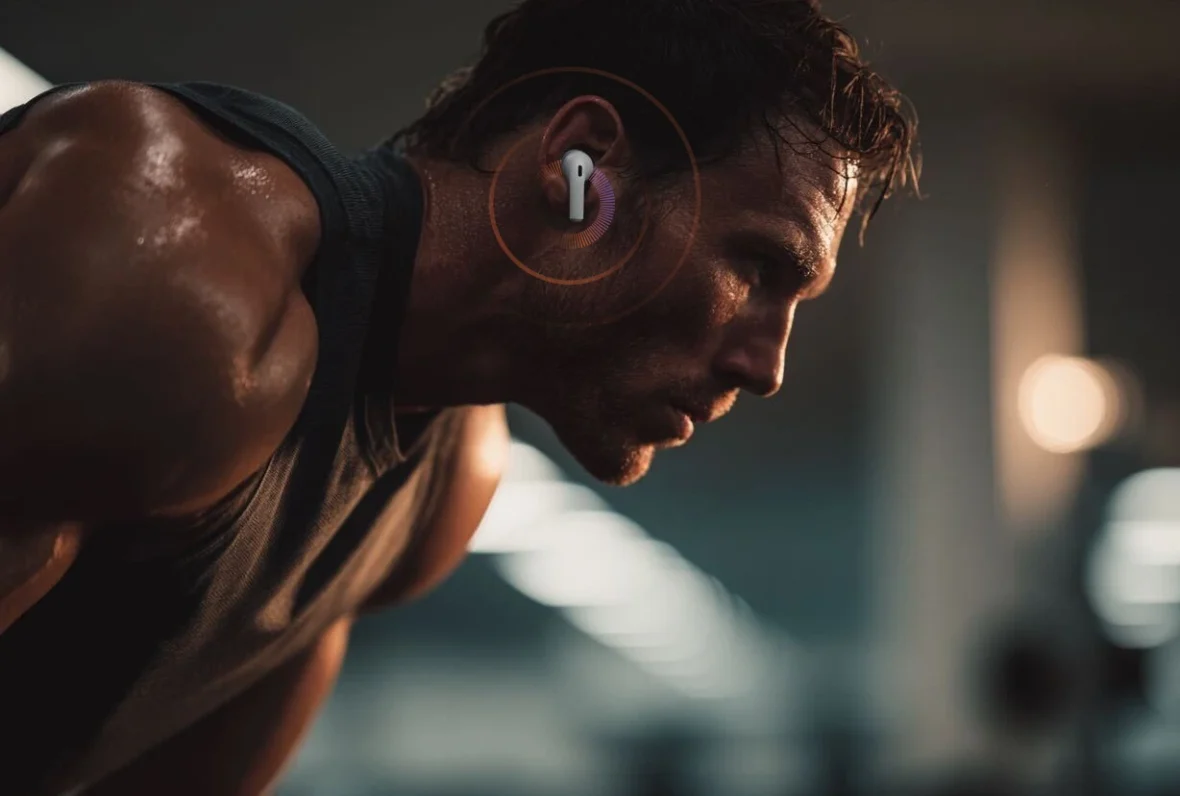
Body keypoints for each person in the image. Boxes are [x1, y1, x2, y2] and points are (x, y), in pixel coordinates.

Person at [0, 0, 918, 793]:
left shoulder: (444, 485)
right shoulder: (184, 285)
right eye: (757, 267)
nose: (768, 367)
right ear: (584, 169)